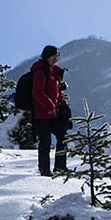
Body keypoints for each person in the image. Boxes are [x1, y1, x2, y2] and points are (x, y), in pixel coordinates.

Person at [30, 45, 68, 176]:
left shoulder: (53, 72)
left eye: (58, 56)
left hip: (53, 113)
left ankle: (60, 166)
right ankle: (44, 169)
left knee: (63, 135)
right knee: (45, 141)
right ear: (47, 56)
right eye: (54, 56)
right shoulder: (40, 71)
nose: (56, 59)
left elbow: (55, 92)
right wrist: (50, 105)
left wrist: (61, 101)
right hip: (41, 113)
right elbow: (37, 92)